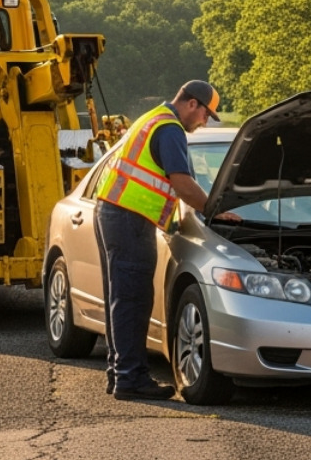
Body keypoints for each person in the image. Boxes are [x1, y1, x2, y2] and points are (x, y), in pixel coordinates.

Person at [92, 80, 230, 401]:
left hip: (114, 211)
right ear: (192, 104)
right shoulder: (170, 130)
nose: (204, 122)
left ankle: (120, 373)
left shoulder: (153, 118)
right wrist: (216, 211)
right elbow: (182, 183)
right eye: (206, 114)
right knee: (133, 299)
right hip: (129, 217)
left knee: (121, 297)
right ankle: (131, 379)